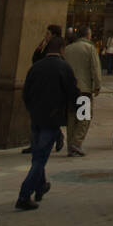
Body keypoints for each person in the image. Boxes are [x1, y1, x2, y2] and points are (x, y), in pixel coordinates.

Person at [15, 36, 77, 211]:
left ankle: (40, 186)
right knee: (40, 158)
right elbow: (73, 93)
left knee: (37, 154)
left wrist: (33, 110)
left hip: (36, 118)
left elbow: (26, 93)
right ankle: (24, 195)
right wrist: (81, 114)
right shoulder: (64, 67)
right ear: (62, 49)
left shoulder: (35, 67)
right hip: (52, 119)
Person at [20, 26, 65, 154]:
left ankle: (52, 137)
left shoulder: (57, 48)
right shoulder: (45, 46)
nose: (46, 35)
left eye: (48, 33)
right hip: (41, 86)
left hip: (51, 88)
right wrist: (38, 50)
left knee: (45, 118)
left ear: (54, 35)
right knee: (38, 117)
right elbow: (36, 62)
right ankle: (36, 143)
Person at [64, 25, 101, 156]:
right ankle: (77, 142)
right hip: (84, 89)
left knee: (72, 118)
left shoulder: (67, 49)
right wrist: (97, 85)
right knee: (84, 117)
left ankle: (70, 145)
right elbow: (95, 69)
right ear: (88, 35)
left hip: (70, 90)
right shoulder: (90, 48)